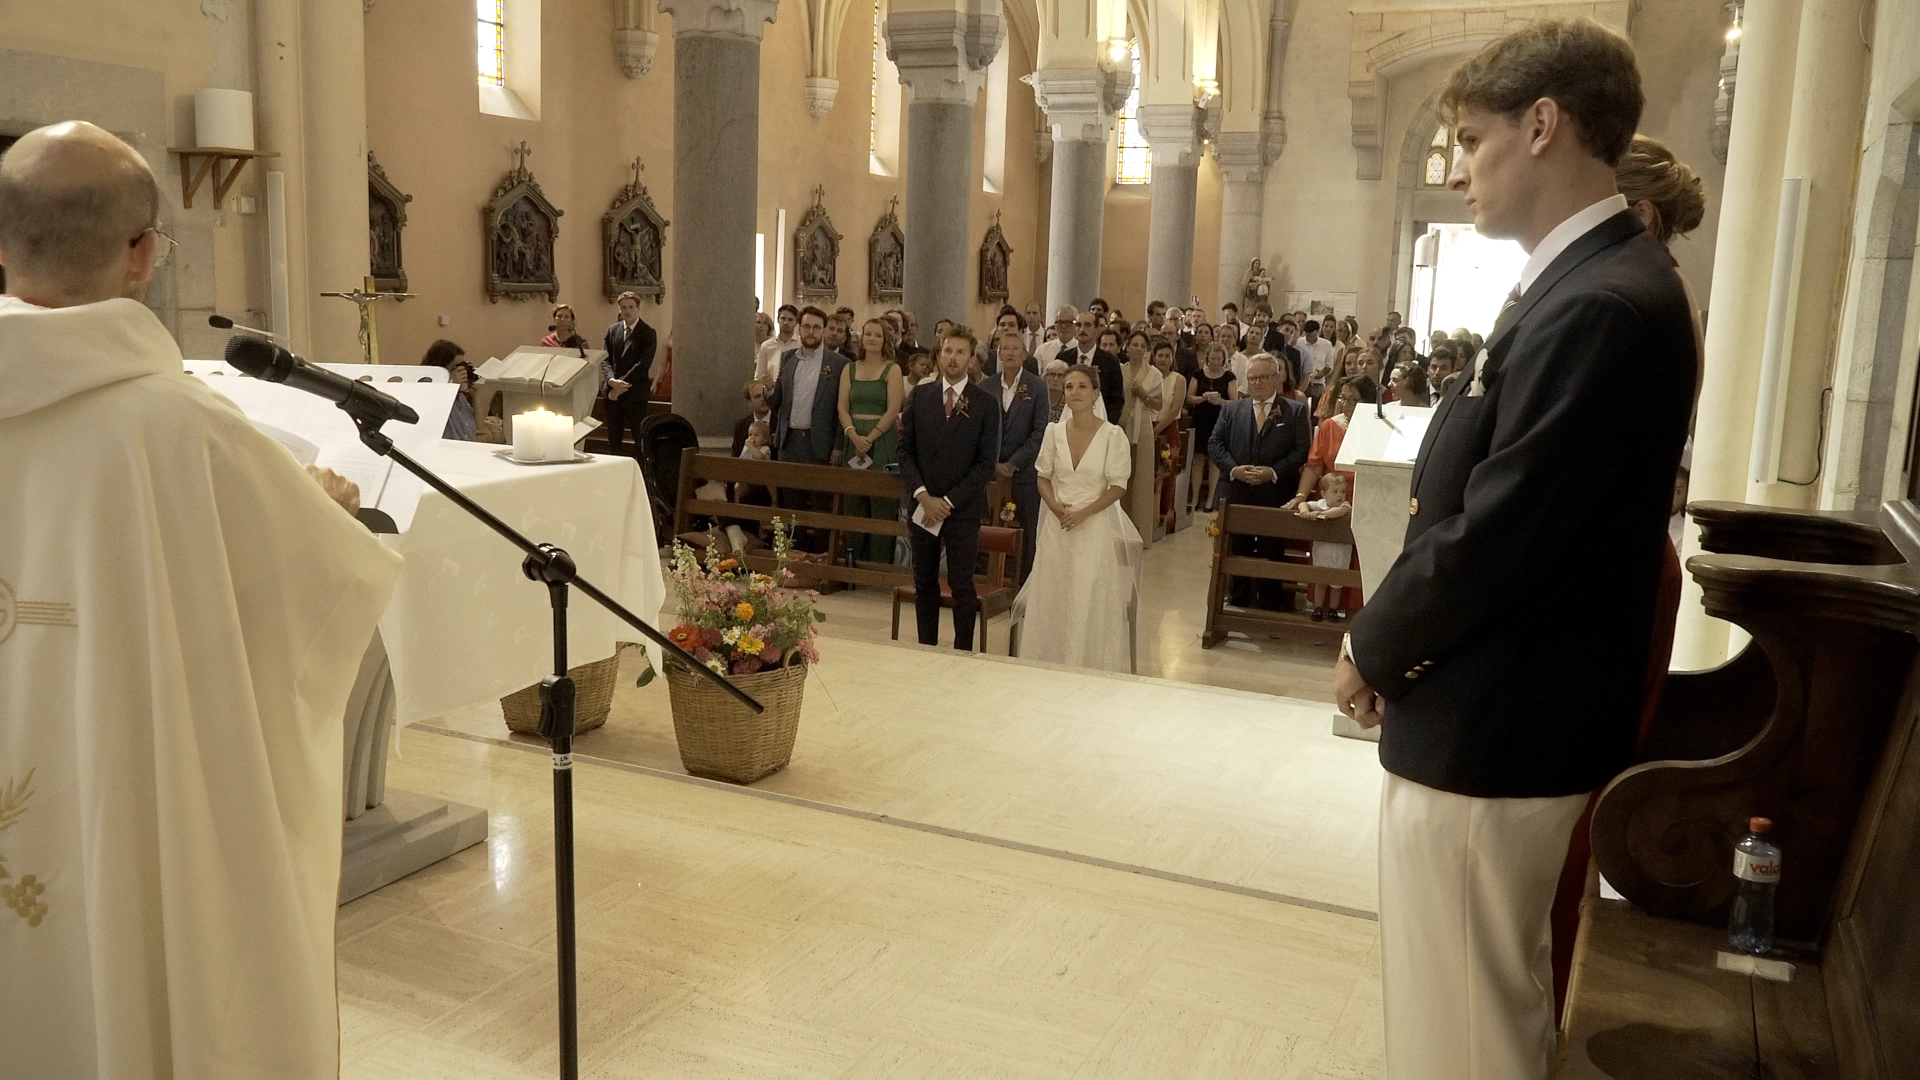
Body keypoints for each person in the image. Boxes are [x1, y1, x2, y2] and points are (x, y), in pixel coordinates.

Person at [0, 120, 402, 1079]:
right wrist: (322, 509)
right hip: (114, 819)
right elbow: (314, 598)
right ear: (142, 256)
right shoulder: (183, 432)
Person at [1334, 22, 1697, 1080]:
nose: (1456, 166)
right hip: (1488, 713)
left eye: (1470, 138)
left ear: (1543, 126)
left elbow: (1503, 533)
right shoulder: (1577, 283)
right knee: (1472, 1011)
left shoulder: (1605, 304)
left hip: (1500, 728)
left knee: (1464, 1036)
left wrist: (1373, 642)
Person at [1012, 365, 1142, 673]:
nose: (1074, 392)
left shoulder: (1113, 435)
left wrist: (1084, 513)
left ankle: (1085, 663)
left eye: (1082, 386)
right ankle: (1047, 662)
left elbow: (1118, 486)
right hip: (1058, 526)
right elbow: (1042, 476)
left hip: (1092, 525)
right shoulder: (1053, 432)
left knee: (1086, 594)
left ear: (1096, 393)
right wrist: (1056, 507)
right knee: (1054, 594)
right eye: (1069, 387)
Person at [897, 326, 1001, 650]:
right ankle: (927, 647)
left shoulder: (985, 403)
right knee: (924, 581)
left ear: (971, 359)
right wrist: (924, 496)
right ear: (938, 356)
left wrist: (949, 501)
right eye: (947, 351)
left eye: (959, 352)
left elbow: (986, 463)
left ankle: (962, 651)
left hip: (962, 508)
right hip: (924, 504)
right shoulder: (921, 395)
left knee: (961, 583)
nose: (952, 358)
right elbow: (904, 451)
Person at [1207, 354, 1311, 609]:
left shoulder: (1295, 410)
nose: (1257, 383)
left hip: (1275, 493)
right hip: (1237, 491)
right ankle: (1237, 603)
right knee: (1237, 550)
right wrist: (1234, 470)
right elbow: (1215, 443)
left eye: (1264, 377)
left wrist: (1273, 472)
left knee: (1271, 551)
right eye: (1252, 378)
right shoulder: (1232, 409)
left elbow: (1301, 450)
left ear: (1277, 378)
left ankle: (1268, 605)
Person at [764, 306, 850, 547]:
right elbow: (776, 401)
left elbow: (843, 409)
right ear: (799, 329)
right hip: (790, 442)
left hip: (819, 443)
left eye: (816, 327)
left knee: (821, 506)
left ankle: (821, 558)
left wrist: (838, 446)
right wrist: (769, 388)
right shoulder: (787, 358)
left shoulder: (840, 363)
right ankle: (794, 558)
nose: (811, 331)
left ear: (823, 331)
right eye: (807, 326)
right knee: (792, 506)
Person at [837, 317, 905, 564]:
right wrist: (854, 435)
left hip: (882, 439)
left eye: (878, 335)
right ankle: (853, 564)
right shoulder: (850, 369)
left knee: (881, 504)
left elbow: (893, 408)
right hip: (853, 439)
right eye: (868, 334)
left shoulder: (892, 369)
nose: (872, 339)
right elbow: (842, 407)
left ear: (885, 340)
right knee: (853, 503)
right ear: (861, 338)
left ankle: (878, 567)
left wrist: (871, 438)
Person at [992, 328, 1050, 581]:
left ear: (1025, 353)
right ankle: (989, 577)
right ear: (999, 353)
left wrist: (1013, 463)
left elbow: (1040, 432)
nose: (1011, 353)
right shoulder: (986, 386)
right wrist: (993, 463)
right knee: (988, 525)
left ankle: (1026, 584)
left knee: (1028, 530)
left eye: (1016, 348)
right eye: (1006, 348)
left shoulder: (1037, 387)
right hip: (991, 473)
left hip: (1025, 473)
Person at [1117, 330, 1165, 541]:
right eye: (1134, 345)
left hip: (1143, 426)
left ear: (1147, 350)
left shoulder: (1154, 374)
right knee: (1121, 477)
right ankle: (1120, 530)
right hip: (1122, 425)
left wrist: (1144, 395)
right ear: (1127, 347)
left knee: (1142, 479)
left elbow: (1159, 404)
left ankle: (1141, 534)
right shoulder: (1120, 370)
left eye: (1141, 346)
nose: (1137, 349)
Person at [602, 290, 659, 459]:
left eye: (631, 307)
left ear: (638, 308)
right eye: (624, 307)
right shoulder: (612, 330)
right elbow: (605, 359)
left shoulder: (648, 332)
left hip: (635, 394)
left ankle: (641, 476)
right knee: (613, 440)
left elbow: (642, 365)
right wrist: (611, 380)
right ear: (619, 309)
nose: (627, 311)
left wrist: (620, 386)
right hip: (612, 393)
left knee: (639, 439)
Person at [1186, 341, 1237, 511]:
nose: (1215, 362)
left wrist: (1220, 401)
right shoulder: (1198, 374)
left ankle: (1210, 499)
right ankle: (1194, 498)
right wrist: (1202, 398)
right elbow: (1189, 398)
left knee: (1214, 461)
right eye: (1212, 358)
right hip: (1200, 419)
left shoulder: (1229, 377)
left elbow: (1234, 402)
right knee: (1198, 460)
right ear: (1207, 358)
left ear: (1223, 359)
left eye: (1218, 359)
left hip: (1219, 421)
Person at [1295, 471, 1354, 621]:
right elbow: (1303, 503)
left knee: (1336, 583)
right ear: (1323, 494)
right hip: (1322, 550)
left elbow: (1340, 511)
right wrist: (1305, 511)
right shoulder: (1319, 505)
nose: (1340, 495)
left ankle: (1333, 609)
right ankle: (1318, 608)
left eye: (1342, 491)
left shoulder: (1345, 506)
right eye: (1335, 492)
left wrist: (1323, 515)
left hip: (1340, 551)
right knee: (1320, 580)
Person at [1054, 310, 1125, 420]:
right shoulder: (1063, 358)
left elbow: (1116, 400)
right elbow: (1056, 393)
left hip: (1100, 423)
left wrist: (1104, 426)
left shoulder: (1110, 362)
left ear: (1097, 329)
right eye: (1078, 325)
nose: (1082, 329)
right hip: (1067, 421)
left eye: (1087, 325)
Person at [422, 338, 478, 440]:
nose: (463, 371)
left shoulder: (460, 395)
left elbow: (476, 428)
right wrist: (450, 383)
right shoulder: (428, 385)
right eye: (457, 367)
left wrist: (475, 396)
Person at [758, 303, 798, 382]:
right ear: (777, 320)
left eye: (790, 319)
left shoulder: (801, 345)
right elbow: (759, 375)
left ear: (796, 322)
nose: (786, 322)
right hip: (770, 391)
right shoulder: (767, 345)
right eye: (783, 318)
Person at [1043, 357, 1069, 422]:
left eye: (1060, 375)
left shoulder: (1069, 404)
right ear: (1046, 377)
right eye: (1052, 374)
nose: (1056, 379)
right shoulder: (1037, 399)